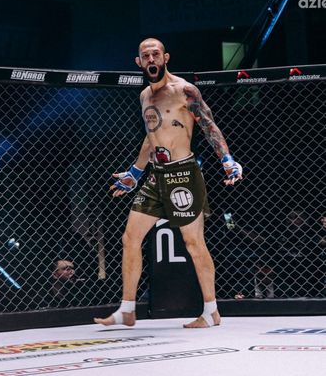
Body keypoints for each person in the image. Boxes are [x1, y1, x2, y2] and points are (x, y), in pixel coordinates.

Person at [94, 38, 243, 328]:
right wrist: (135, 172)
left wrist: (227, 159)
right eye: (145, 55)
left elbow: (209, 125)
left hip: (183, 174)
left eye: (155, 54)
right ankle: (127, 309)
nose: (151, 59)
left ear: (165, 58)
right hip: (156, 176)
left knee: (193, 242)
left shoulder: (185, 90)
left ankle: (211, 311)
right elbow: (151, 136)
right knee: (130, 238)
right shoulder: (144, 96)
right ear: (139, 62)